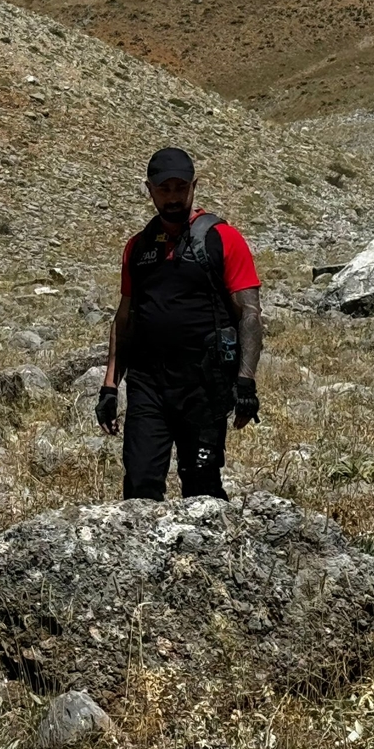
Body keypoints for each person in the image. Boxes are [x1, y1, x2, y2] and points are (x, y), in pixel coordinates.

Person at [97, 147, 263, 501]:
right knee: (140, 485)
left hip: (204, 384)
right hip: (148, 384)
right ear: (149, 189)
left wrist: (245, 384)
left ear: (194, 186)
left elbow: (249, 312)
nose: (173, 197)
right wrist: (110, 386)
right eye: (164, 189)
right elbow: (124, 318)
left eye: (180, 188)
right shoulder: (137, 248)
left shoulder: (223, 239)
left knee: (202, 487)